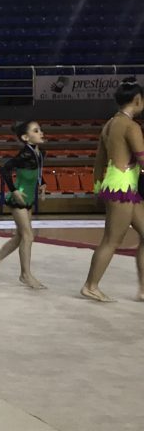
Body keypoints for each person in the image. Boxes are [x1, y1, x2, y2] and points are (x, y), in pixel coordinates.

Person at [80, 80, 144, 302]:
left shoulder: (109, 124)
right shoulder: (131, 126)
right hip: (123, 186)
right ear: (137, 100)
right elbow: (142, 159)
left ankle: (143, 289)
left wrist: (98, 188)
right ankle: (91, 285)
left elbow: (99, 161)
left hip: (116, 184)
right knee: (111, 240)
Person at [0, 120, 47, 289]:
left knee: (20, 236)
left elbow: (38, 171)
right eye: (36, 130)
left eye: (40, 129)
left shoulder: (40, 153)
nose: (41, 132)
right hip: (18, 200)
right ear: (26, 137)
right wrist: (14, 190)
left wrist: (43, 183)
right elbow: (4, 170)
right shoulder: (25, 155)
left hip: (28, 199)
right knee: (28, 236)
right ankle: (25, 275)